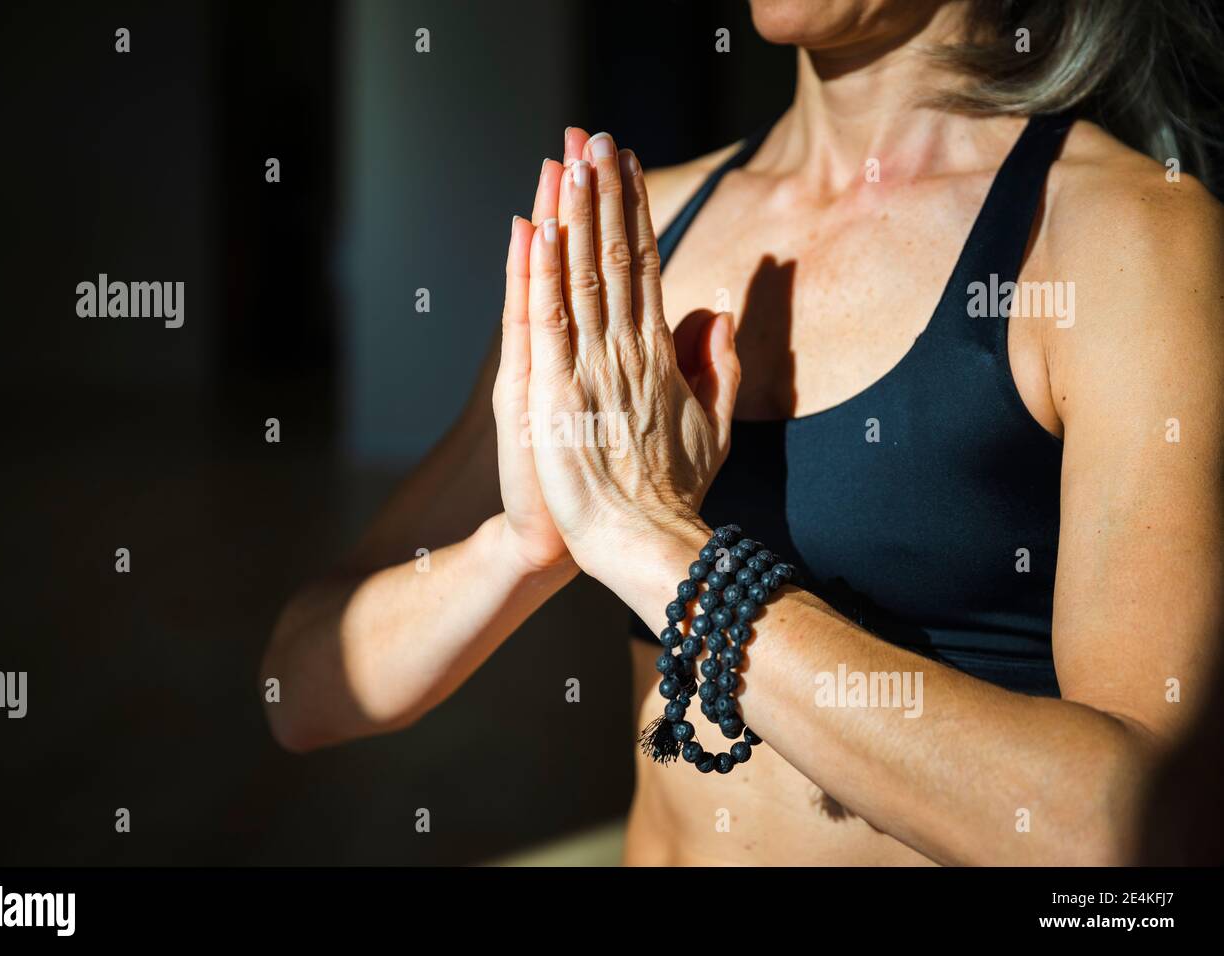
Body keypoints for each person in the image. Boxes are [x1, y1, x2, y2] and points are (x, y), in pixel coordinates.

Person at [261, 0, 1224, 865]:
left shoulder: (1127, 239)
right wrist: (523, 548)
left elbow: (1129, 829)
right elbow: (302, 692)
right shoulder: (640, 237)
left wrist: (657, 548)